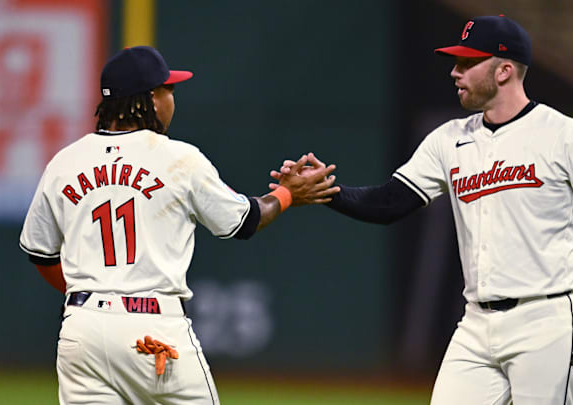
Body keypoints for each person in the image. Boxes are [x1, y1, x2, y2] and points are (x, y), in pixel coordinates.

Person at [271, 15, 573, 404]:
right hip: (476, 325)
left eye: (467, 63)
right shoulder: (449, 139)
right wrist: (328, 192)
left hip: (548, 319)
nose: (455, 71)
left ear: (504, 70)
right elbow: (390, 202)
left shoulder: (565, 134)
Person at [19, 46, 338, 404]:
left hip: (82, 329)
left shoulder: (65, 161)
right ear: (151, 100)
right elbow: (243, 220)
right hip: (152, 328)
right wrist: (287, 193)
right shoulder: (178, 159)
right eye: (168, 90)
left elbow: (41, 254)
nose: (172, 98)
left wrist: (96, 298)